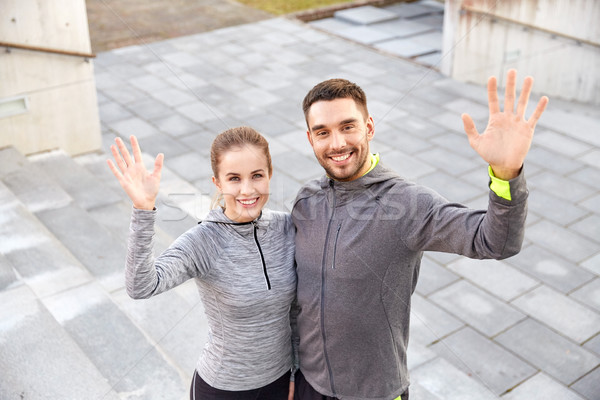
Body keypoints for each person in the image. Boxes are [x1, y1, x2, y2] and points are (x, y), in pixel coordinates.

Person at [291, 69, 548, 400]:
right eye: (323, 132)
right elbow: (297, 301)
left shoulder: (407, 204)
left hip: (376, 393)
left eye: (348, 126)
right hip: (308, 386)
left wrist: (506, 174)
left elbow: (495, 241)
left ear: (369, 127)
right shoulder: (305, 201)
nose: (337, 143)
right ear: (311, 139)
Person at [107, 127, 297, 400]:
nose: (247, 189)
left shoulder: (286, 227)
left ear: (270, 174)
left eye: (257, 175)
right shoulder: (203, 241)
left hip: (280, 384)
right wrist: (143, 208)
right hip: (223, 390)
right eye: (234, 179)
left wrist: (296, 373)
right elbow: (141, 286)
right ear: (217, 183)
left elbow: (298, 313)